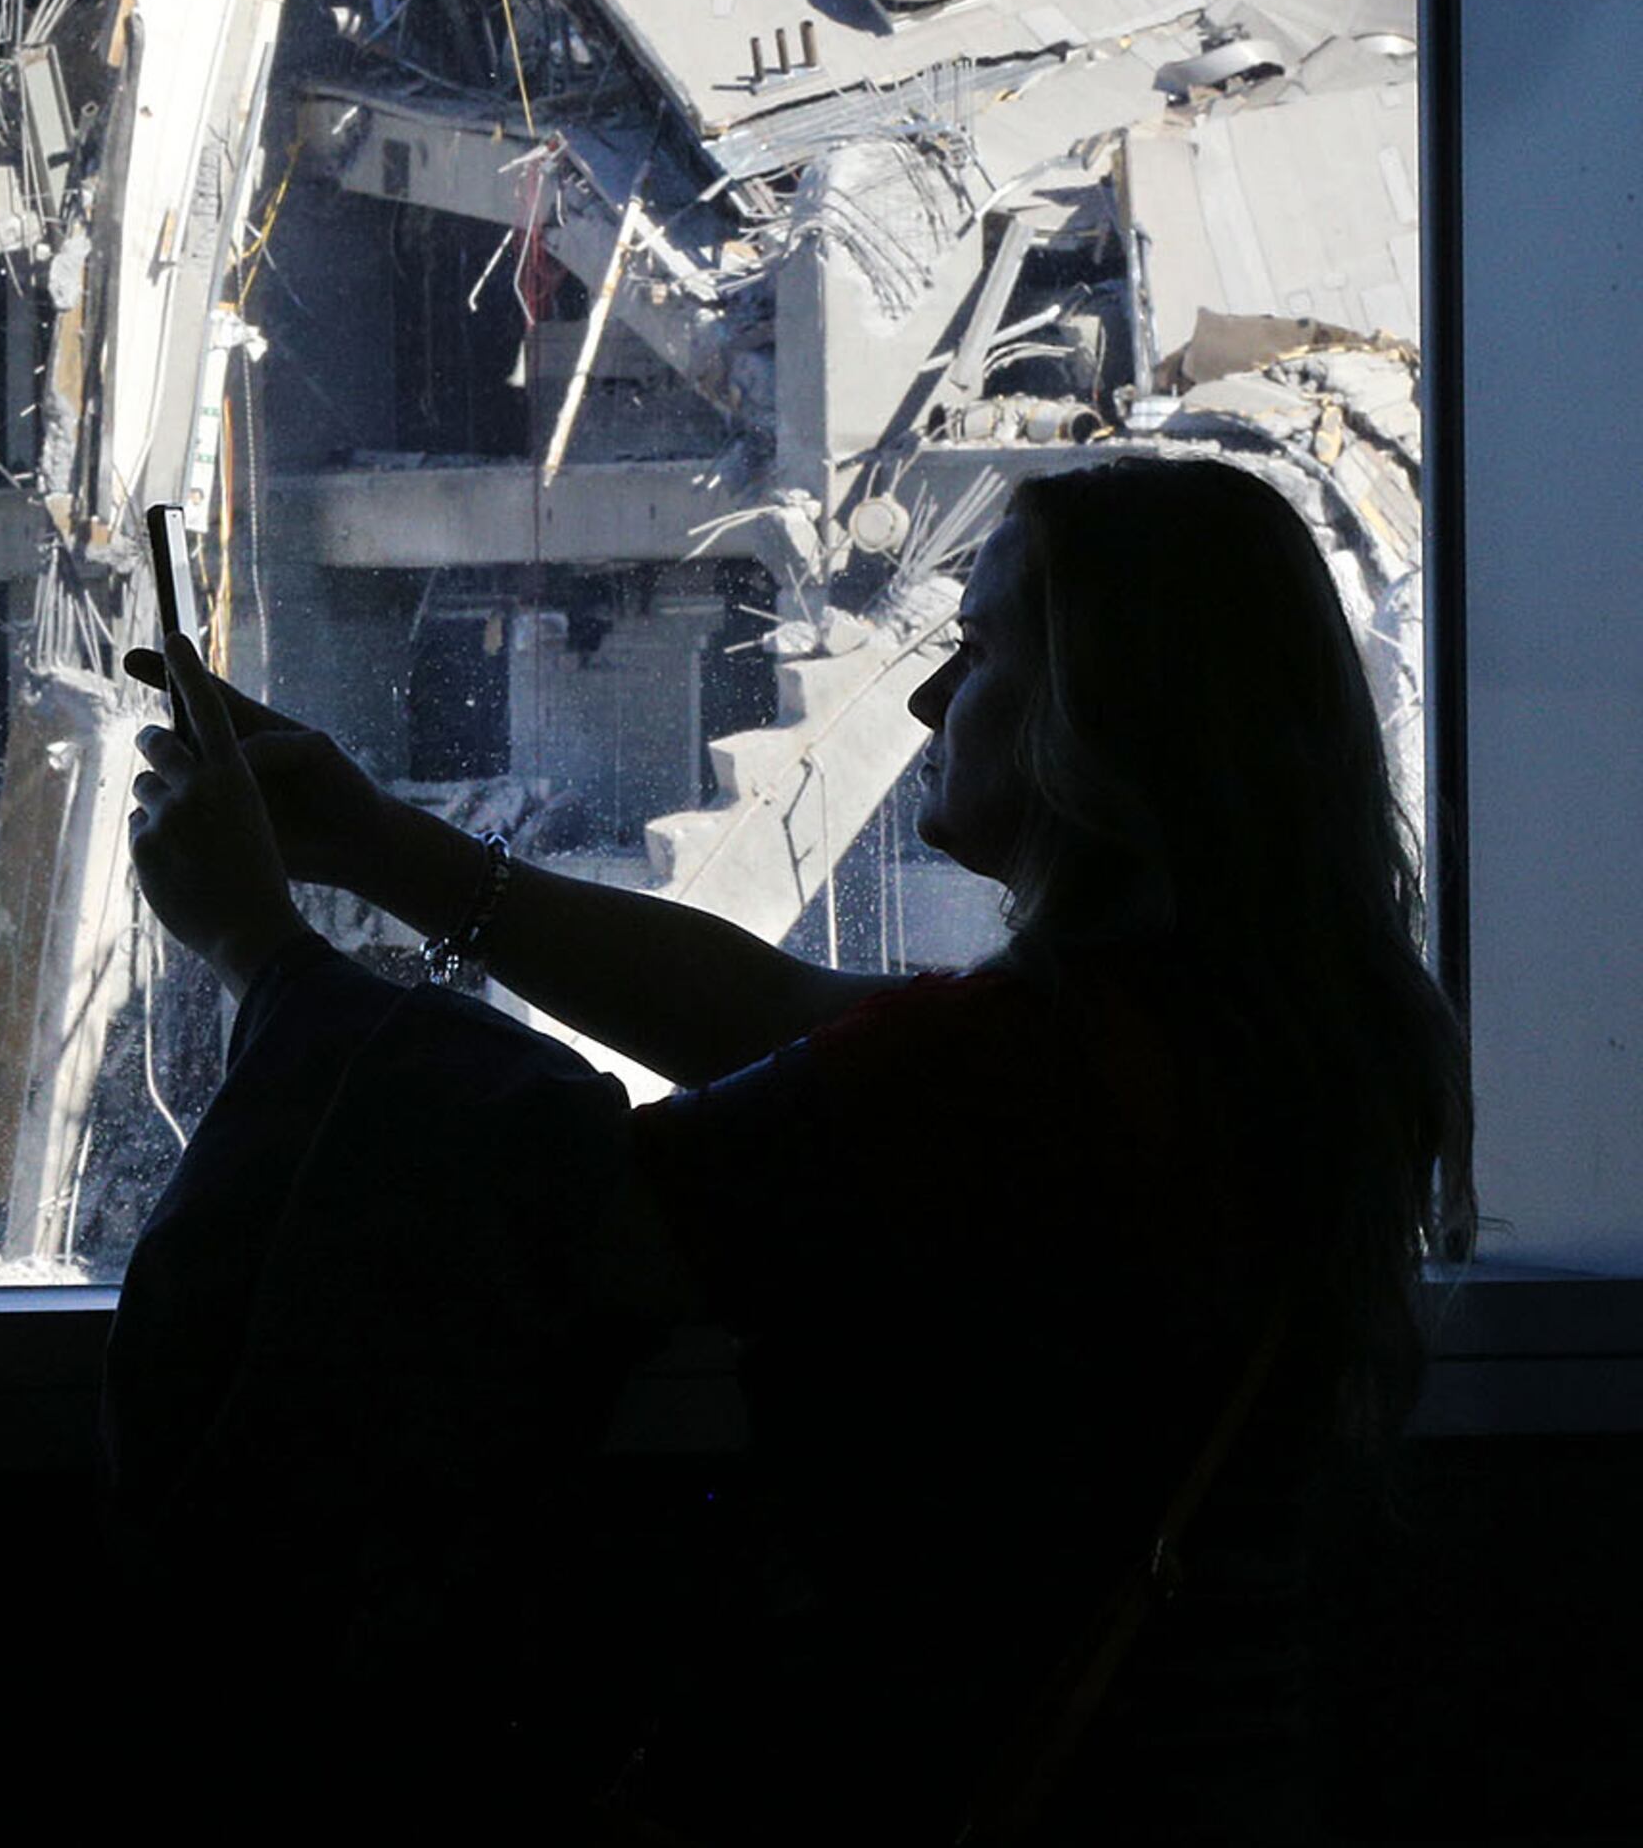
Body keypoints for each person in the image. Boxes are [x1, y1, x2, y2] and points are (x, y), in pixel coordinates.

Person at [111, 455, 1468, 1837]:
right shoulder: (1270, 1041)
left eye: (983, 646)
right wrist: (380, 844)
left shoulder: (1002, 1076)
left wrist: (261, 954)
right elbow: (788, 1026)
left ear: (1106, 720)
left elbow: (559, 1209)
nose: (934, 698)